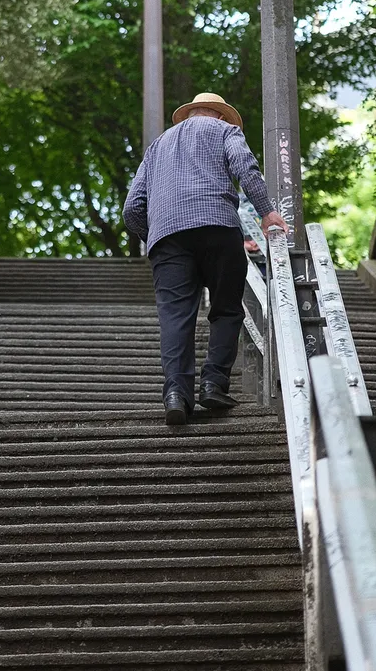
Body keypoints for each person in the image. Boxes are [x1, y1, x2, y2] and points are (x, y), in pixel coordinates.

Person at [123, 91, 287, 426]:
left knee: (175, 317)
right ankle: (213, 383)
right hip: (217, 225)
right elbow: (246, 168)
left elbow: (131, 208)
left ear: (191, 113)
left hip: (167, 237)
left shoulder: (157, 147)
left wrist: (154, 238)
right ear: (221, 115)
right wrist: (268, 213)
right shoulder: (226, 132)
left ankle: (175, 395)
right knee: (227, 308)